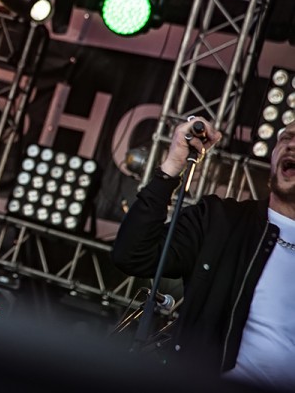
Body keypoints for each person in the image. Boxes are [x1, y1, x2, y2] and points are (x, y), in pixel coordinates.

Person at [112, 116, 295, 391]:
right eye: (286, 138)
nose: (291, 146)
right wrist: (171, 167)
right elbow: (133, 254)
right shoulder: (220, 220)